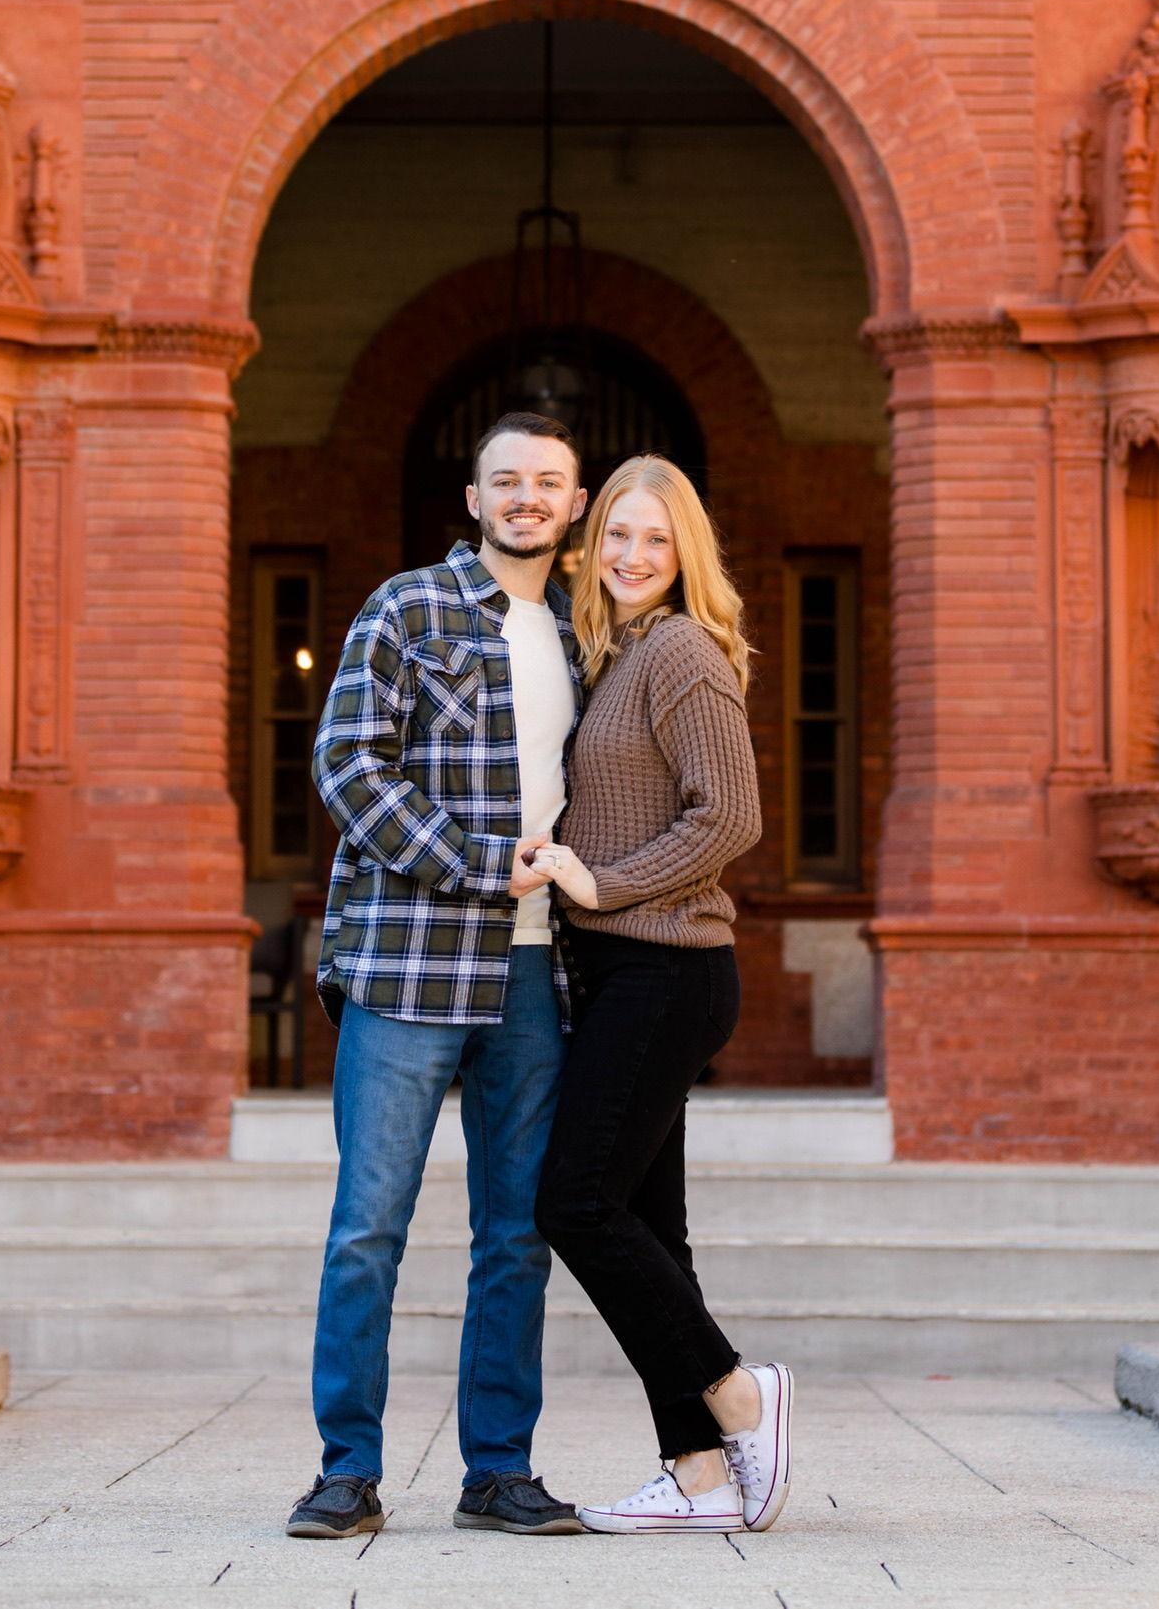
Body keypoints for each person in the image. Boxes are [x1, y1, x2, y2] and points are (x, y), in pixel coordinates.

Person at [286, 413, 590, 1542]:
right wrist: (474, 865)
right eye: (505, 479)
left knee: (516, 1234)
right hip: (407, 964)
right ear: (472, 499)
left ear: (572, 501)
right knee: (369, 1225)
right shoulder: (406, 608)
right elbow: (345, 763)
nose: (525, 496)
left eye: (546, 482)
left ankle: (497, 1471)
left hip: (536, 981)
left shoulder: (580, 631)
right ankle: (346, 1470)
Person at [523, 454, 795, 1536]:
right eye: (621, 538)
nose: (635, 558)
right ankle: (699, 1472)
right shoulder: (620, 652)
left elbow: (729, 817)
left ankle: (737, 1393)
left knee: (573, 1202)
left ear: (687, 555)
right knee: (650, 1229)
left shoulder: (680, 649)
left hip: (667, 966)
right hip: (630, 970)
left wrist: (602, 880)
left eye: (657, 540)